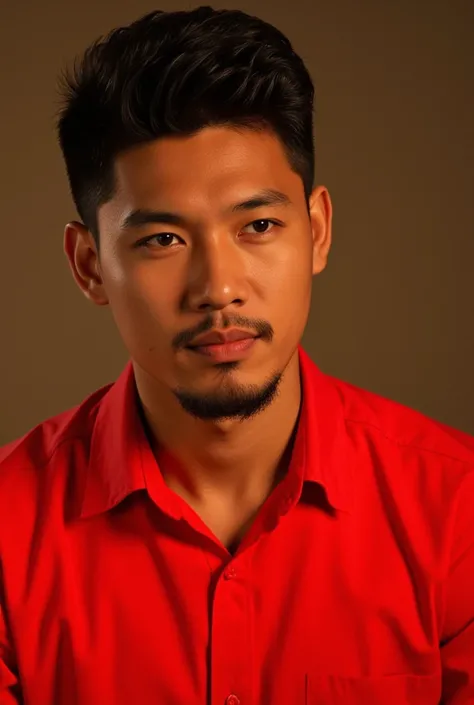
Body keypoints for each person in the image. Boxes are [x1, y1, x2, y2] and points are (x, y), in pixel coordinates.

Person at [0, 6, 473, 704]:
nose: (218, 288)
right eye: (162, 239)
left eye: (257, 224)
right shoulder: (9, 535)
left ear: (316, 231)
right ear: (90, 265)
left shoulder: (458, 512)